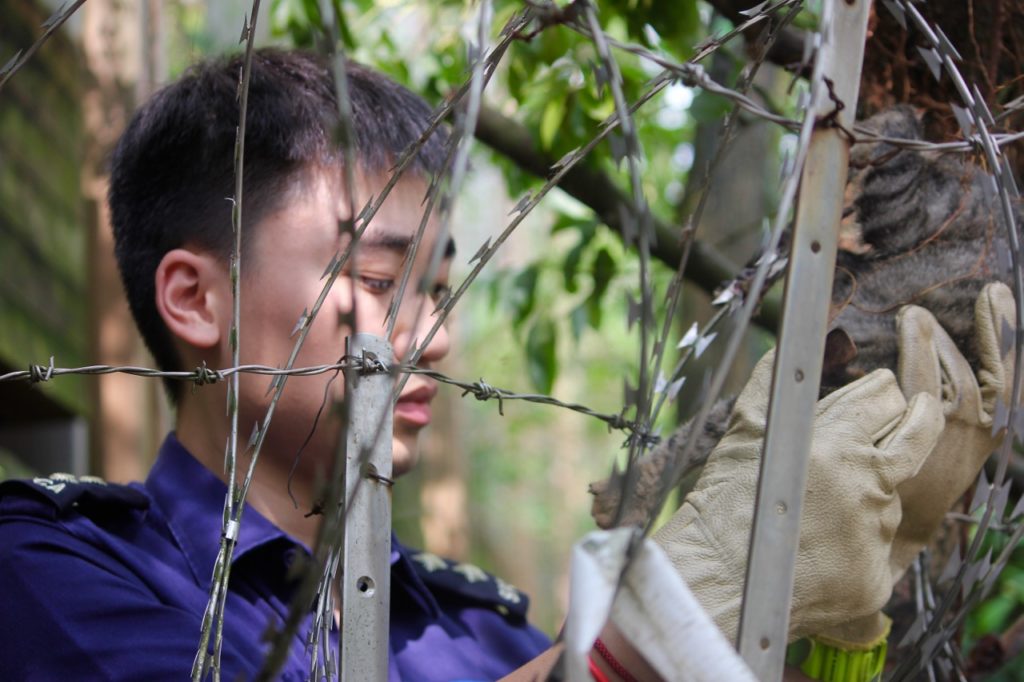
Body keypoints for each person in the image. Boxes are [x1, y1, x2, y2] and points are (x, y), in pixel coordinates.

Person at [0, 48, 1014, 682]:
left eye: (439, 287)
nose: (432, 334)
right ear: (196, 299)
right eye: (380, 277)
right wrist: (679, 601)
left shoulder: (477, 630)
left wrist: (826, 610)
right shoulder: (53, 573)